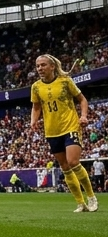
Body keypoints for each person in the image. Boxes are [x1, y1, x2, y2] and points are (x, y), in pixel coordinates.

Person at [30, 54, 96, 212]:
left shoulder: (65, 81)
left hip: (70, 126)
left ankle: (91, 197)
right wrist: (33, 121)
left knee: (73, 162)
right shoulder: (36, 87)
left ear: (52, 66)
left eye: (43, 65)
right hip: (52, 131)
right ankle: (80, 203)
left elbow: (82, 100)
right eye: (38, 66)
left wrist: (84, 116)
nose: (40, 68)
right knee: (65, 167)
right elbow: (36, 107)